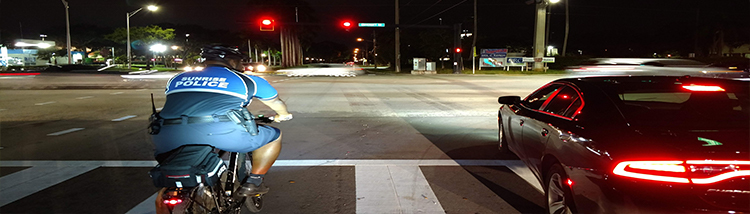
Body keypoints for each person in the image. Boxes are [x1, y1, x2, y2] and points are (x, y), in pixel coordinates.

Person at [151, 44, 292, 196]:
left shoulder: (177, 78)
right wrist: (282, 115)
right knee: (274, 136)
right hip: (224, 134)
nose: (242, 66)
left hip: (166, 136)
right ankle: (254, 182)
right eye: (240, 62)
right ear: (232, 62)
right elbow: (276, 103)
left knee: (172, 176)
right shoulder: (247, 80)